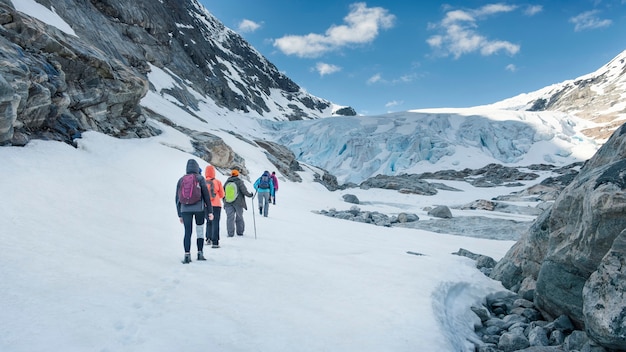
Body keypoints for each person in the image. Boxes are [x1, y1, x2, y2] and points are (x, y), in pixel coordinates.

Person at [176, 159, 214, 264]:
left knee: (187, 232)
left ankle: (187, 255)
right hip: (199, 209)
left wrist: (179, 214)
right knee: (200, 231)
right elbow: (206, 195)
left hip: (185, 209)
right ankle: (200, 253)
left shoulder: (181, 180)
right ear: (197, 168)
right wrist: (210, 211)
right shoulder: (200, 178)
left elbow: (177, 198)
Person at [223, 169, 253, 237]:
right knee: (239, 217)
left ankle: (230, 233)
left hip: (228, 203)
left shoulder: (227, 182)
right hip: (238, 203)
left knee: (230, 218)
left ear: (231, 175)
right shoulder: (239, 182)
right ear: (237, 175)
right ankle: (240, 232)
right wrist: (250, 195)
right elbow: (244, 191)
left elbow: (223, 192)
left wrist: (224, 201)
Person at [204, 164, 224, 248]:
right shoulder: (218, 182)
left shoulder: (203, 182)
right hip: (216, 205)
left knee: (208, 222)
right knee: (216, 223)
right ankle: (215, 242)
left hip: (206, 205)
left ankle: (208, 238)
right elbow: (222, 195)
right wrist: (216, 197)